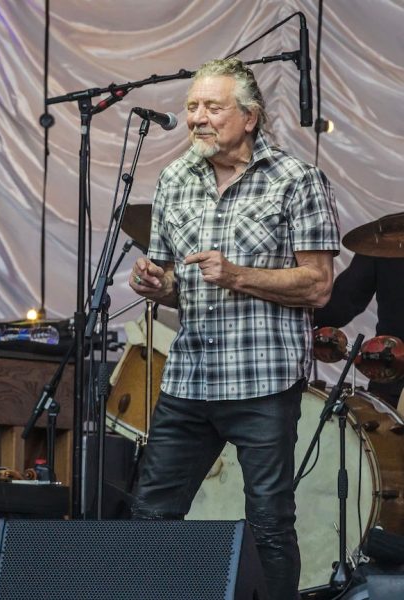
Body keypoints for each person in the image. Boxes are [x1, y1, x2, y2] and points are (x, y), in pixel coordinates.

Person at [128, 58, 340, 599]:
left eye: (212, 107)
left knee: (269, 522)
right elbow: (176, 281)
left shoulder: (297, 180)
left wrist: (238, 274)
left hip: (262, 381)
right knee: (150, 513)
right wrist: (158, 285)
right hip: (190, 377)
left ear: (249, 117)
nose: (197, 117)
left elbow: (318, 286)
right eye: (192, 106)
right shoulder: (174, 178)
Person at [313, 254, 404, 407]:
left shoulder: (382, 237)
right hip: (390, 372)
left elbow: (343, 302)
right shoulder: (382, 240)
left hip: (390, 372)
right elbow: (343, 302)